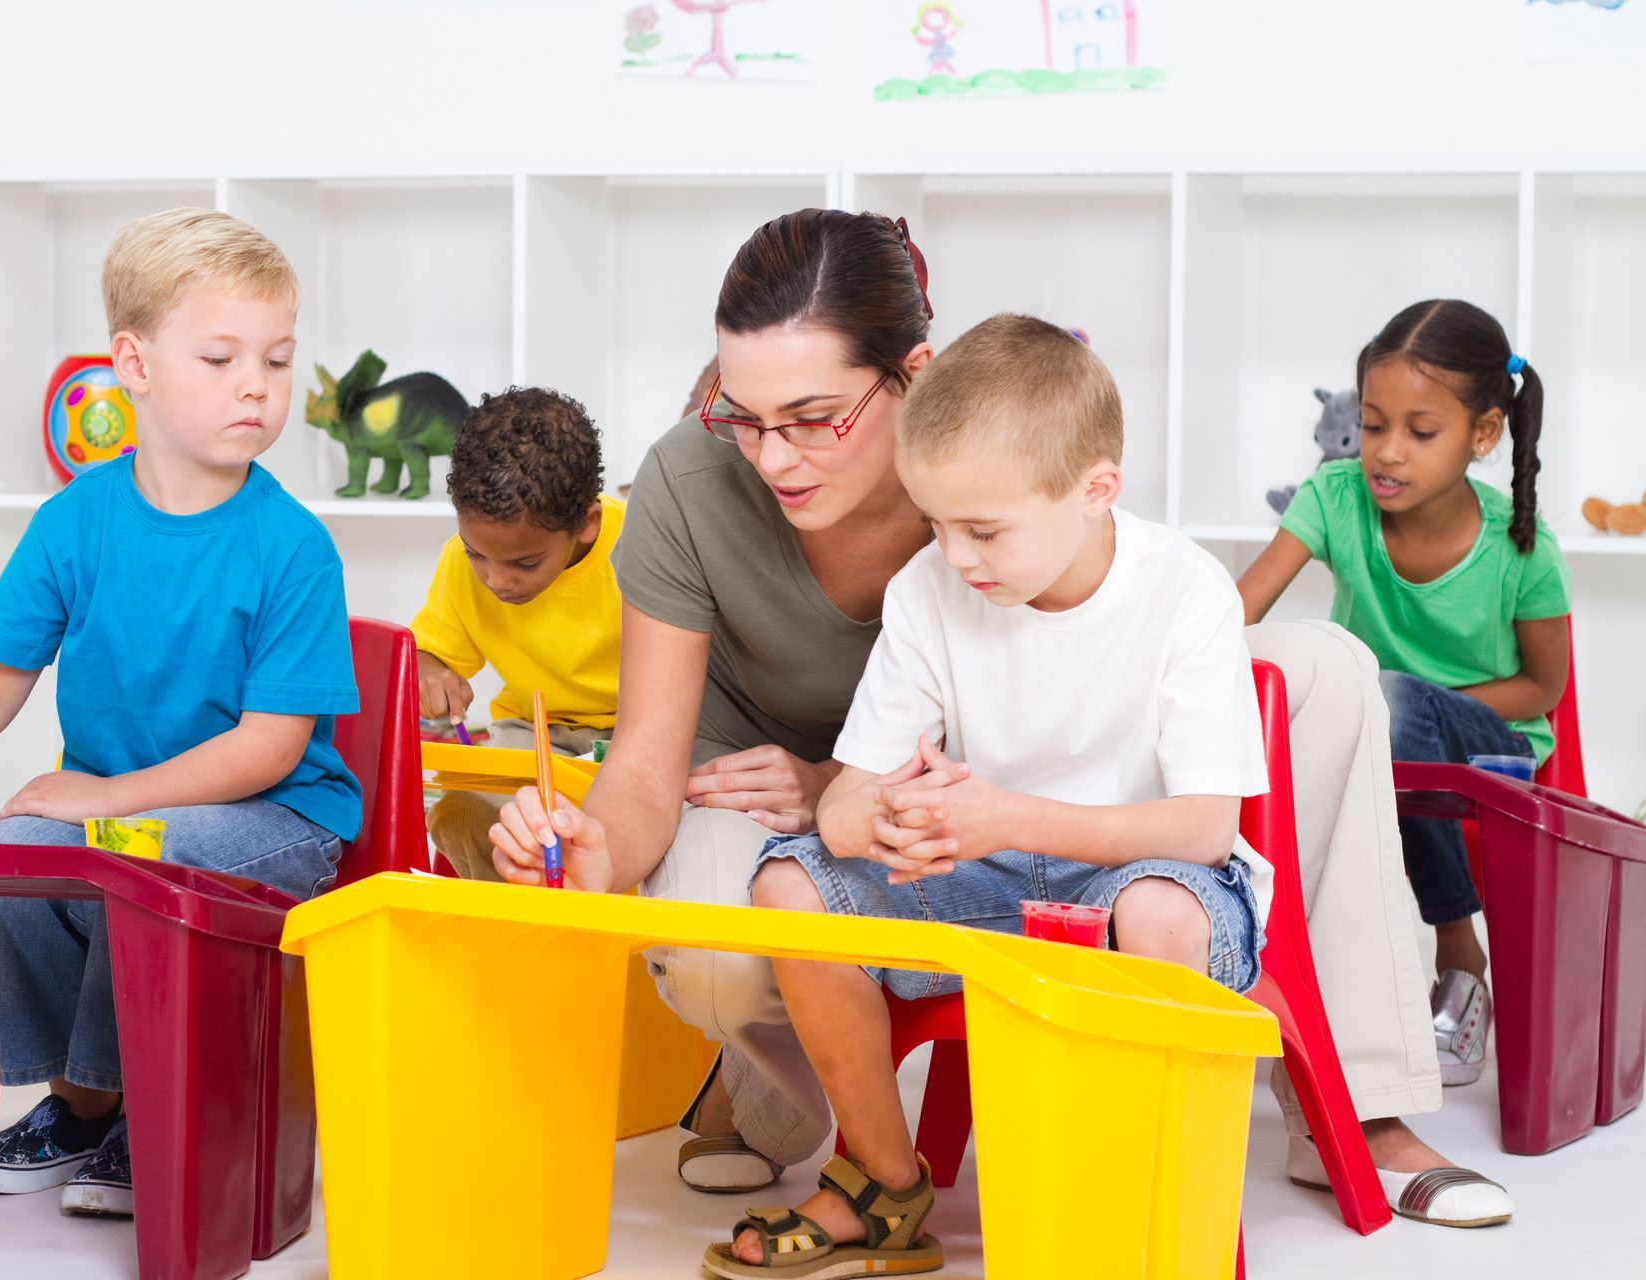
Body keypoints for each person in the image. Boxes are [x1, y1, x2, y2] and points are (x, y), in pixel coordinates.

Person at [487, 209, 1510, 1229]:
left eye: (813, 416)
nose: (772, 456)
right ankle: (799, 1107)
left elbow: (1085, 676)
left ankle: (1358, 1105)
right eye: (739, 414)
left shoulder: (1003, 442)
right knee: (737, 937)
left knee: (1329, 666)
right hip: (853, 801)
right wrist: (607, 845)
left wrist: (905, 795)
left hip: (1000, 788)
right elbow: (655, 758)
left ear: (913, 373)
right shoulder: (719, 491)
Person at [703, 313, 1269, 1276]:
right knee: (792, 886)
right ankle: (883, 1181)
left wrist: (1001, 816)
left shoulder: (1188, 591)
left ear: (1095, 491)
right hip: (983, 878)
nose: (956, 556)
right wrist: (882, 823)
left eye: (985, 529)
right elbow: (841, 803)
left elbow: (1207, 829)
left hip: (1136, 880)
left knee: (1162, 910)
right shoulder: (931, 588)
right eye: (936, 523)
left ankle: (1118, 1194)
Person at [0, 208, 361, 1218]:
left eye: (275, 357)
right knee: (8, 847)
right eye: (220, 356)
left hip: (278, 823)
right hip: (124, 815)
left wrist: (105, 795)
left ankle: (132, 1107)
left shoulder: (291, 545)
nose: (257, 384)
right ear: (132, 362)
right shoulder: (75, 520)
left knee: (124, 846)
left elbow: (270, 748)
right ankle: (86, 1106)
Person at [1237, 298, 1566, 1098]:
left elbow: (1542, 687)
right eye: (1374, 422)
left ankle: (1459, 948)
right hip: (1371, 736)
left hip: (1494, 745)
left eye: (1420, 433)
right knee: (1335, 709)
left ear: (1482, 435)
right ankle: (1270, 977)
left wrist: (1403, 700)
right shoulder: (1334, 498)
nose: (1385, 452)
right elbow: (1233, 616)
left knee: (1383, 701)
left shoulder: (1521, 544)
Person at [413, 387, 623, 880]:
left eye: (525, 563)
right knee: (460, 807)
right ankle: (519, 927)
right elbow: (428, 652)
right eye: (476, 553)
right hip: (531, 735)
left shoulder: (641, 546)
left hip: (630, 737)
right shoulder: (460, 564)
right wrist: (430, 672)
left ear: (586, 524)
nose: (496, 580)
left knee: (602, 829)